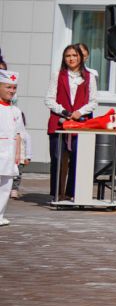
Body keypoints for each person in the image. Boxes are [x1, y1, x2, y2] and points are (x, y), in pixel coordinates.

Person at [44, 44, 98, 200]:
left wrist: (79, 112)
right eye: (68, 56)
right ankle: (57, 194)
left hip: (80, 122)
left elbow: (93, 101)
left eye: (74, 55)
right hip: (59, 121)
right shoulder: (58, 75)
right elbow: (49, 99)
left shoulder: (89, 77)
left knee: (78, 158)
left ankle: (73, 193)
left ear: (81, 57)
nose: (71, 59)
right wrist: (65, 112)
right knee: (57, 158)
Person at [0, 69, 32, 226]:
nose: (11, 91)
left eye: (14, 88)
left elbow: (19, 133)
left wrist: (19, 153)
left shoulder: (16, 111)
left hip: (10, 152)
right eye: (8, 87)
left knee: (6, 184)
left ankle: (0, 214)